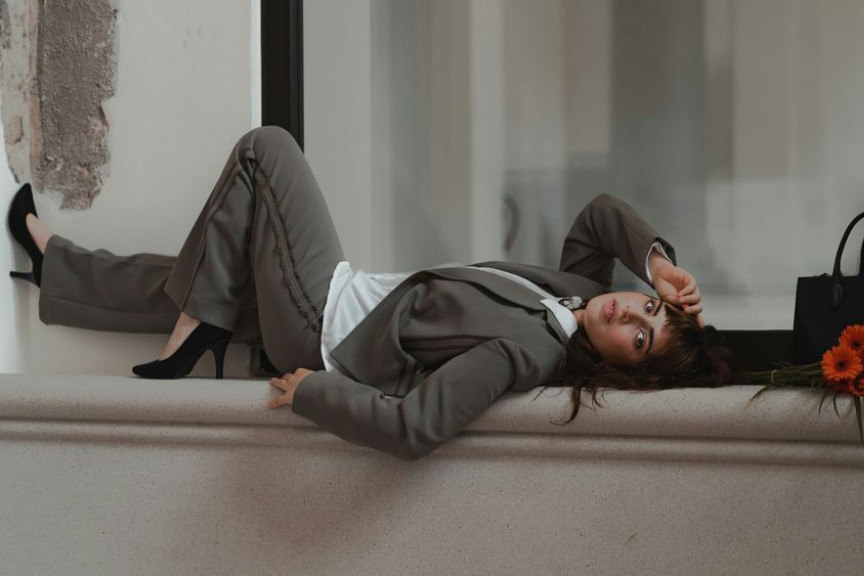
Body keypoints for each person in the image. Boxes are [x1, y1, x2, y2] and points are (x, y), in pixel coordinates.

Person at [7, 126, 743, 460]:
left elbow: (415, 428)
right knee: (208, 272)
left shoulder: (527, 352)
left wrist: (312, 393)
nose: (630, 312)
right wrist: (657, 265)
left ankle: (196, 327)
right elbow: (600, 216)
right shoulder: (577, 292)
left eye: (640, 338)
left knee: (267, 151)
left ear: (619, 366)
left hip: (323, 324)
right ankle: (52, 263)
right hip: (343, 297)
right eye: (647, 309)